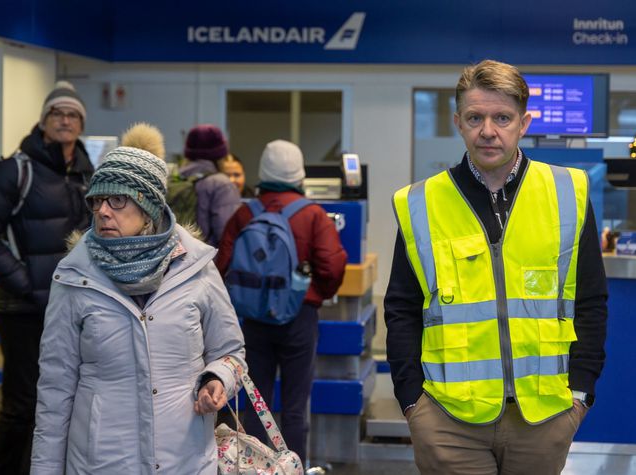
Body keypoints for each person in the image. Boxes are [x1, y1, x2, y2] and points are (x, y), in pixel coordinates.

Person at [384, 59, 608, 475]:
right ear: (458, 122)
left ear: (523, 123)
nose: (488, 130)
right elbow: (401, 307)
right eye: (475, 117)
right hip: (448, 420)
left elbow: (591, 300)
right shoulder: (420, 203)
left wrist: (581, 394)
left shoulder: (567, 192)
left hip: (543, 418)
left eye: (502, 117)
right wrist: (412, 400)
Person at [31, 123, 246, 474]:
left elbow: (231, 353)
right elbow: (54, 391)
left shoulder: (196, 268)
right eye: (97, 200)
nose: (103, 211)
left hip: (185, 460)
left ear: (148, 206)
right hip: (101, 462)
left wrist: (218, 378)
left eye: (117, 199)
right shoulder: (74, 276)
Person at [0, 80, 93, 475]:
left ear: (81, 124)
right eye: (58, 113)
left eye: (73, 115)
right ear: (43, 121)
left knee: (62, 404)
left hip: (71, 306)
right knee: (22, 405)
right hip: (23, 309)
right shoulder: (13, 171)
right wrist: (27, 285)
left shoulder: (87, 174)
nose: (65, 120)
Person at [216, 139, 347, 464]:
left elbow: (221, 267)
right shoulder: (313, 215)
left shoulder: (245, 213)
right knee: (294, 405)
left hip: (253, 321)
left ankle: (255, 468)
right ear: (299, 173)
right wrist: (312, 293)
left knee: (256, 401)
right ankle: (294, 466)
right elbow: (332, 268)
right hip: (299, 318)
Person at [180, 124, 241, 246]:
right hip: (206, 261)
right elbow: (227, 236)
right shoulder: (222, 185)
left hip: (173, 260)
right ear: (221, 155)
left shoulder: (174, 179)